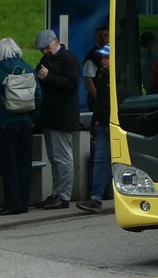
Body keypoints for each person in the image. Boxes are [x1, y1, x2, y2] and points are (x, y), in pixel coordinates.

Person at [0, 37, 41, 216]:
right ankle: (24, 203)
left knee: (9, 164)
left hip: (8, 122)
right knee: (24, 163)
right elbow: (38, 95)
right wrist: (33, 117)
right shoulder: (27, 67)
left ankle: (12, 204)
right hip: (26, 122)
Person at [33, 28, 81, 210]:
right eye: (42, 50)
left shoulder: (69, 58)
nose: (45, 52)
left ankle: (63, 195)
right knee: (55, 157)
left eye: (46, 47)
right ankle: (56, 193)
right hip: (50, 115)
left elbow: (72, 84)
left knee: (62, 157)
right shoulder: (48, 60)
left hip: (62, 116)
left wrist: (49, 77)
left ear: (55, 41)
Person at [77, 44, 111, 214]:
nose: (103, 59)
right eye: (102, 57)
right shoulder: (103, 74)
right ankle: (96, 198)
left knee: (103, 160)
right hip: (104, 123)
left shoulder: (117, 76)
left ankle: (98, 197)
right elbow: (102, 102)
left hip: (111, 123)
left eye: (106, 57)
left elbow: (105, 102)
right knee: (100, 160)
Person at [82, 25, 109, 111]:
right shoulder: (92, 57)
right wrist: (98, 99)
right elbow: (88, 79)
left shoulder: (110, 53)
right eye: (100, 35)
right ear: (95, 38)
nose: (103, 38)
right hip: (97, 102)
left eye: (105, 35)